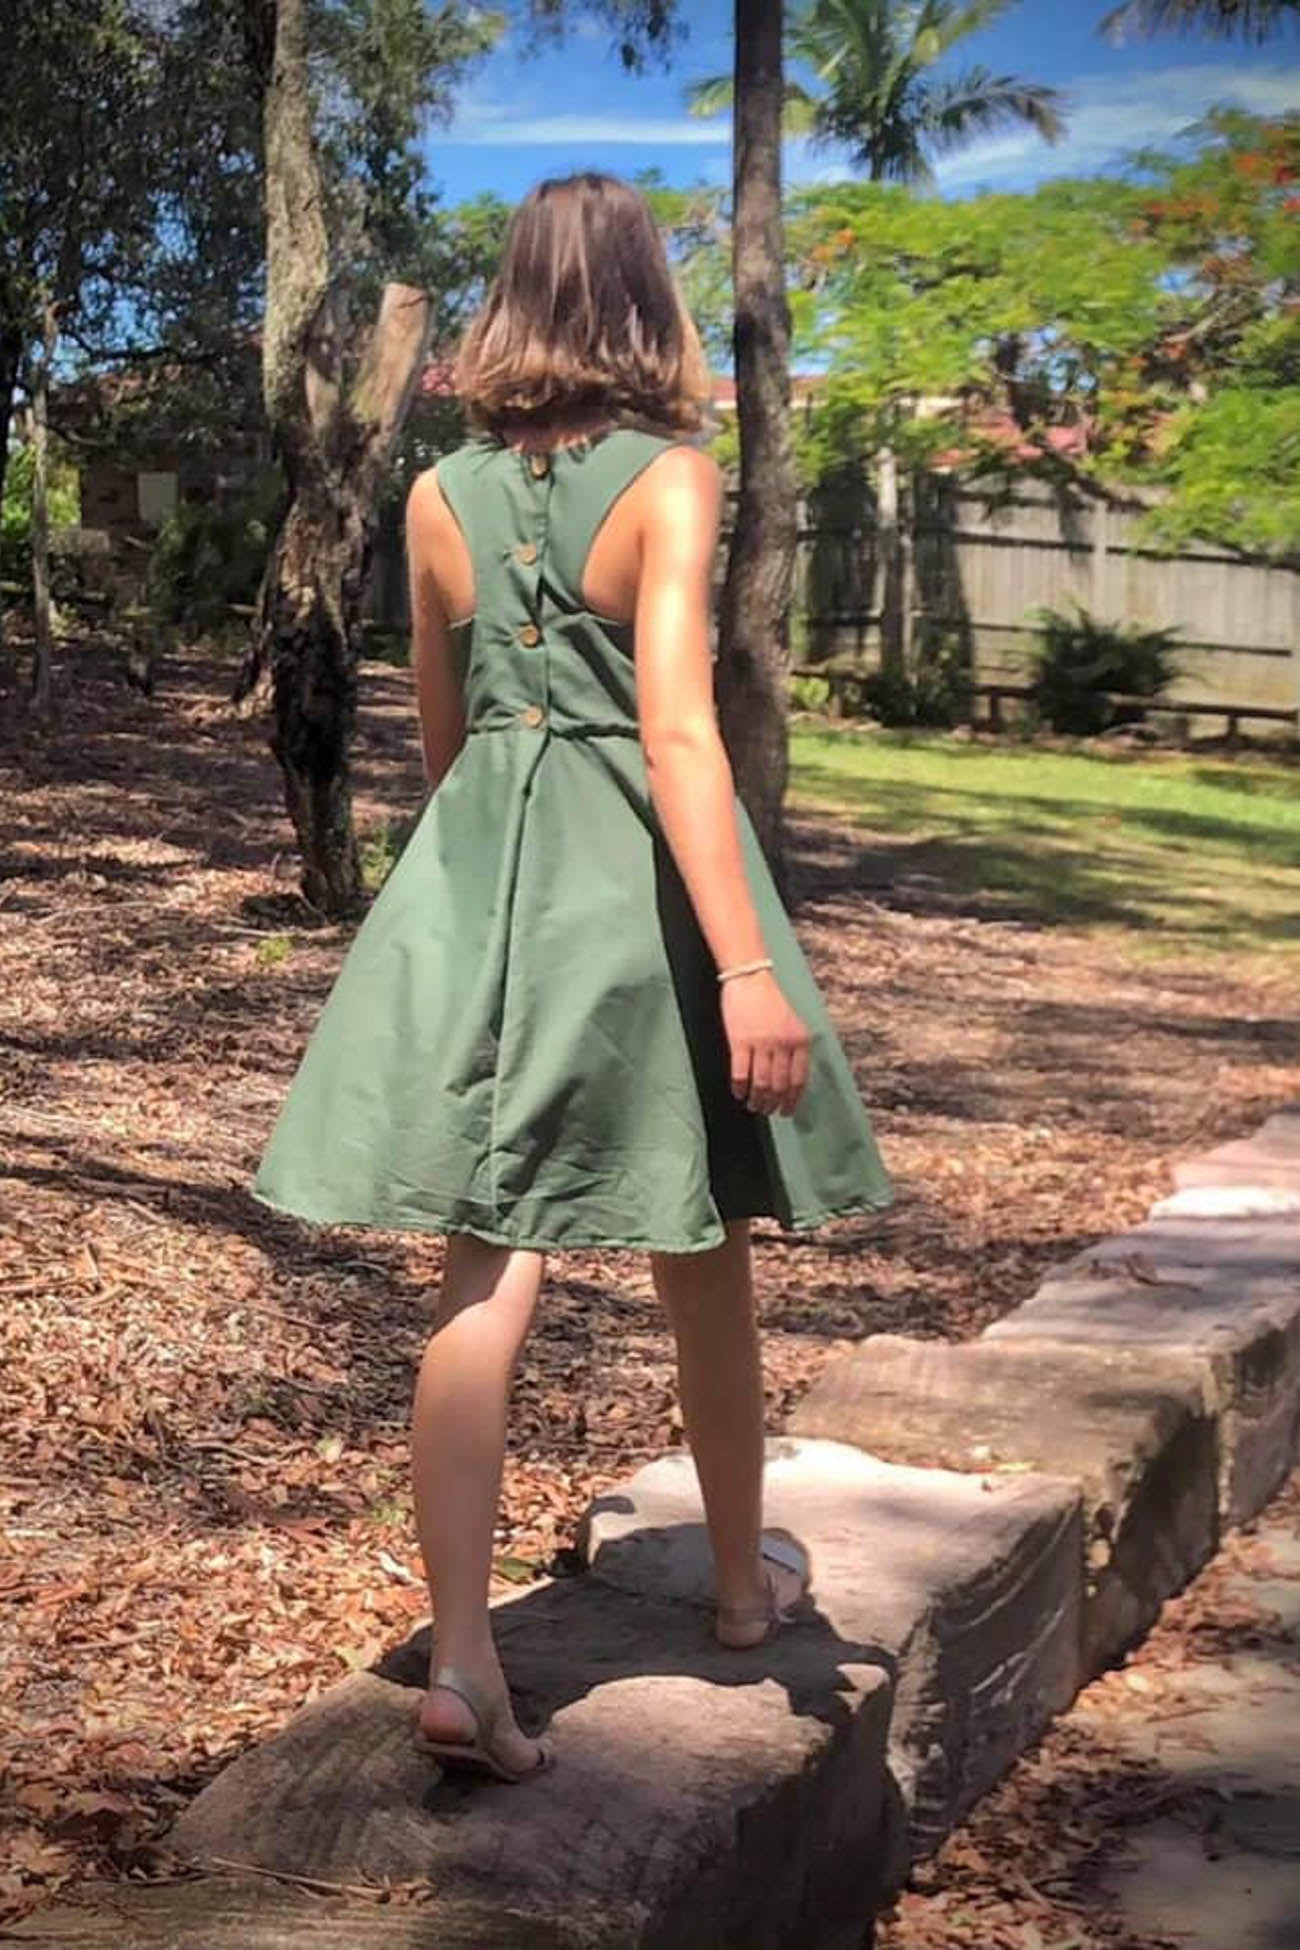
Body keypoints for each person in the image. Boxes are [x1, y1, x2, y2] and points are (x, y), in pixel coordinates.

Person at [253, 172, 891, 1783]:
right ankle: (740, 1587)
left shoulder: (437, 495)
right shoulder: (671, 478)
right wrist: (747, 966)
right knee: (702, 1233)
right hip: (638, 889)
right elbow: (679, 727)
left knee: (488, 1260)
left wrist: (484, 879)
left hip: (486, 881)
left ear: (511, 307)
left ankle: (465, 1657)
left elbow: (443, 722)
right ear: (644, 303)